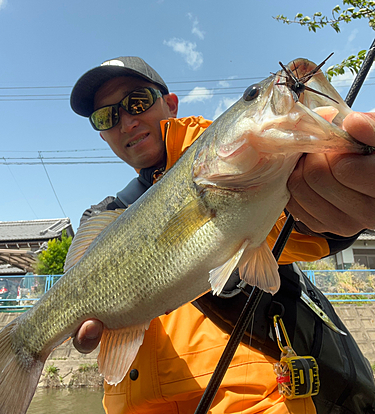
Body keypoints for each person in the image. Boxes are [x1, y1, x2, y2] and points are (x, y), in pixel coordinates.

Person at [70, 56, 375, 414]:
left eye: (137, 101)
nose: (126, 121)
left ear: (170, 104)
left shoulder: (230, 159)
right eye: (106, 117)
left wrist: (332, 197)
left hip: (256, 404)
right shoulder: (104, 215)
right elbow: (78, 302)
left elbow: (289, 227)